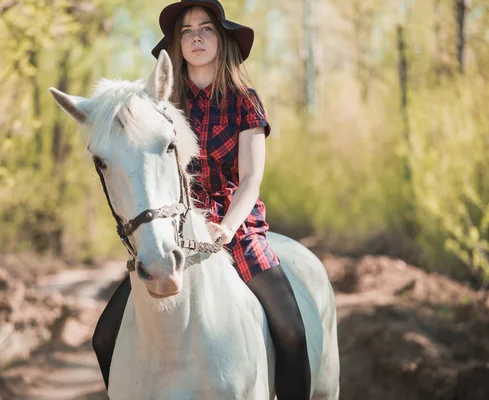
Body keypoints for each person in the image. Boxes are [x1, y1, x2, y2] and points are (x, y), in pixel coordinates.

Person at [92, 1, 311, 398]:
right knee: (104, 337)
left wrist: (227, 227)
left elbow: (251, 178)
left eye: (206, 28)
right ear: (177, 43)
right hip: (173, 227)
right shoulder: (160, 103)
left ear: (222, 38)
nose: (195, 36)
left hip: (237, 227)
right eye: (187, 30)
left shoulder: (245, 100)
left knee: (293, 333)